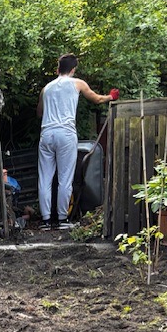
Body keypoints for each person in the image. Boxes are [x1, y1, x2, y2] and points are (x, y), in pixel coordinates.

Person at [36, 53, 118, 231]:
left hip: (46, 134)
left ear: (58, 69)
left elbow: (40, 112)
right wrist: (111, 97)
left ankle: (46, 220)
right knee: (65, 178)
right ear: (73, 69)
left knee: (45, 177)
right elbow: (96, 99)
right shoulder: (77, 83)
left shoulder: (46, 88)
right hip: (65, 134)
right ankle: (63, 218)